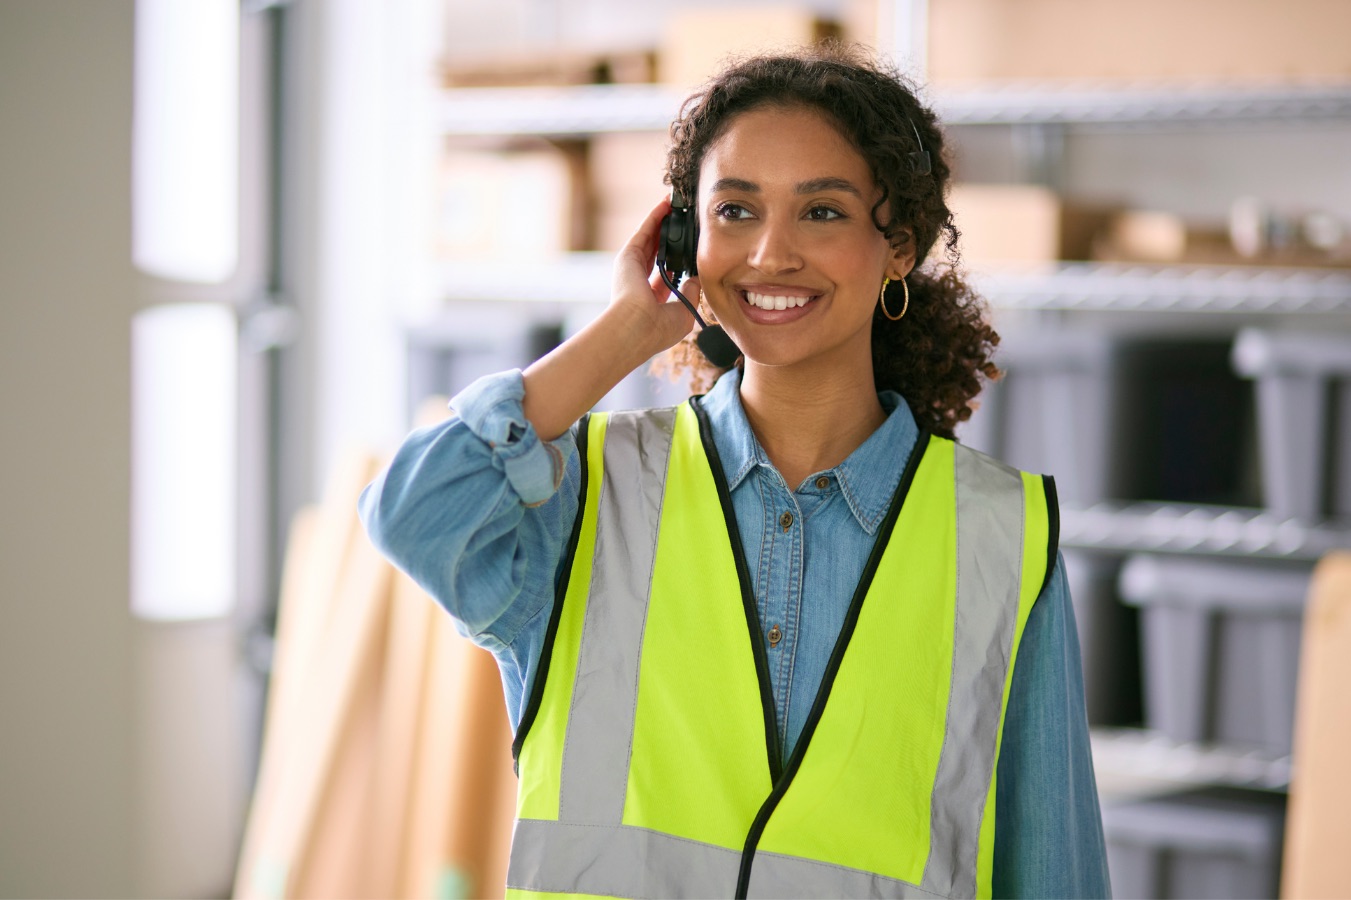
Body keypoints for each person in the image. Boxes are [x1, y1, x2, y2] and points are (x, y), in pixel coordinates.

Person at [361, 44, 1110, 900]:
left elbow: (1055, 871)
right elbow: (413, 511)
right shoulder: (590, 497)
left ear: (897, 244)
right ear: (685, 239)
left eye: (822, 212)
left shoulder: (1001, 536)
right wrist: (627, 330)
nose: (770, 255)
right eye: (734, 211)